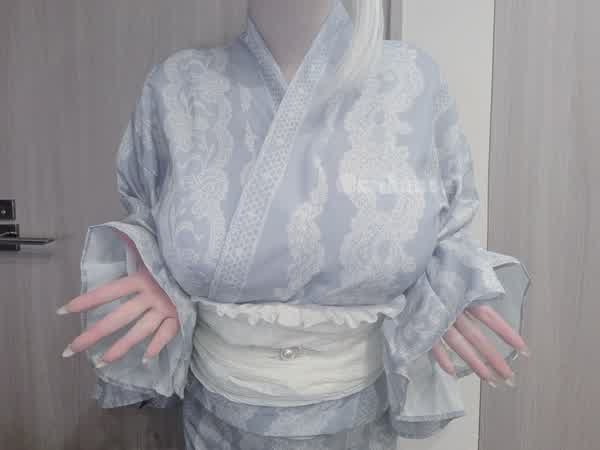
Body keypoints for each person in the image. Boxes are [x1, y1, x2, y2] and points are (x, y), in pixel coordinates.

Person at [57, 0, 532, 448]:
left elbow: (449, 222)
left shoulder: (412, 78)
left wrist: (448, 291)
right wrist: (155, 272)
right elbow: (145, 210)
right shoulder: (178, 86)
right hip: (217, 421)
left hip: (359, 422)